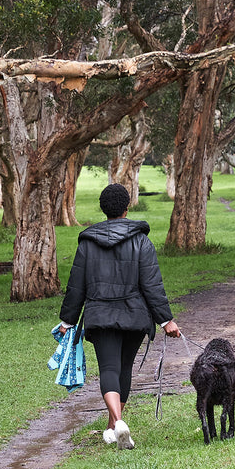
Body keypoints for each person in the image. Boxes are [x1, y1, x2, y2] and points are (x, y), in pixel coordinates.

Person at [59, 183, 181, 449]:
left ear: (103, 209)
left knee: (109, 368)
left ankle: (115, 423)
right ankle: (115, 424)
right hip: (135, 318)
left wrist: (68, 320)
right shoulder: (141, 241)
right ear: (128, 207)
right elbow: (152, 285)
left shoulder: (87, 243)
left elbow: (76, 286)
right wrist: (166, 320)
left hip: (100, 317)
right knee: (124, 369)